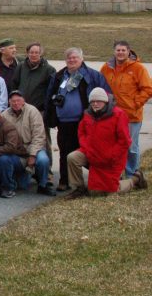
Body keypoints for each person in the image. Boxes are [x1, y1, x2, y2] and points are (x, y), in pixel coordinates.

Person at [45, 47, 110, 191]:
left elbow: (108, 96)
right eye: (69, 58)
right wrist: (51, 118)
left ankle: (104, 177)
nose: (72, 60)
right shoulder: (58, 76)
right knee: (65, 152)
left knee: (88, 151)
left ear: (82, 59)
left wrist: (101, 117)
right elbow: (50, 97)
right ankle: (65, 180)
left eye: (75, 57)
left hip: (87, 122)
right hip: (64, 122)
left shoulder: (93, 76)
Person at [66, 88, 147, 199]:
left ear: (105, 101)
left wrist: (112, 155)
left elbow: (124, 141)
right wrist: (87, 149)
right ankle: (78, 188)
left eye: (98, 101)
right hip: (92, 154)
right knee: (72, 158)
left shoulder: (119, 114)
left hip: (112, 159)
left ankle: (135, 179)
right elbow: (82, 133)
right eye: (92, 101)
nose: (95, 104)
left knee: (111, 191)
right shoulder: (88, 114)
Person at [100, 40, 152, 176]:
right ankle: (115, 172)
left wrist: (135, 104)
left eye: (123, 50)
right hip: (111, 115)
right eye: (118, 50)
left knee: (131, 147)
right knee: (112, 145)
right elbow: (100, 86)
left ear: (129, 52)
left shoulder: (138, 68)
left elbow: (147, 89)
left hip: (131, 116)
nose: (120, 53)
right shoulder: (106, 68)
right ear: (114, 51)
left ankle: (132, 175)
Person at [1, 90, 55, 196]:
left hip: (34, 147)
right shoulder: (4, 115)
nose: (16, 103)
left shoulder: (33, 111)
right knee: (4, 160)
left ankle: (43, 185)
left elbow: (39, 137)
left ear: (23, 101)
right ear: (9, 102)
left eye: (18, 100)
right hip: (16, 151)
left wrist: (33, 154)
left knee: (43, 160)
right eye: (13, 101)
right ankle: (10, 185)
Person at [10, 42, 56, 113]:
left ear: (40, 54)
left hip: (38, 110)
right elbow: (14, 84)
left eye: (36, 52)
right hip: (20, 108)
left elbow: (51, 91)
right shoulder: (21, 67)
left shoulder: (49, 70)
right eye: (31, 52)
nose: (34, 55)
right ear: (27, 53)